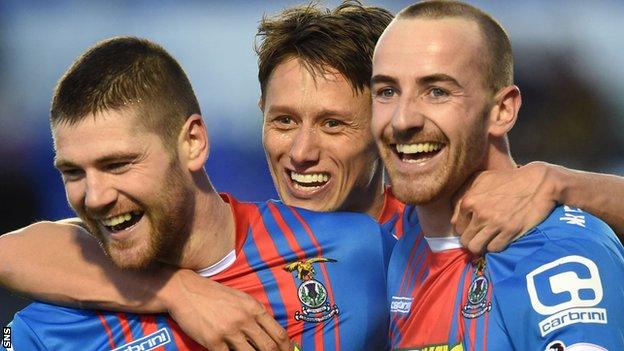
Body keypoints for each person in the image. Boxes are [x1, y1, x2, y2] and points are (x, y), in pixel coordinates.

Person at [1, 0, 624, 349]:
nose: (300, 152)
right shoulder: (236, 241)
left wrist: (562, 183)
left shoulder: (420, 236)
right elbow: (25, 250)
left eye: (332, 125)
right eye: (282, 121)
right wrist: (175, 292)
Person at [1, 36, 394, 351]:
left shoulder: (358, 250)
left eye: (118, 164)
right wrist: (176, 292)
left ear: (192, 142)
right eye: (72, 172)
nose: (95, 196)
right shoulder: (45, 331)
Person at [373, 1, 624, 349]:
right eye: (387, 91)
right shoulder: (388, 241)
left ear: (502, 111)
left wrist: (560, 181)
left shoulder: (557, 255)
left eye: (437, 92)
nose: (402, 120)